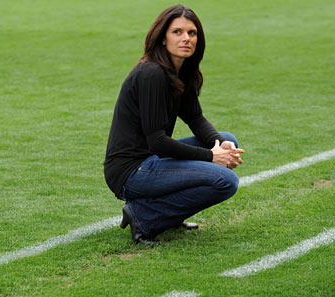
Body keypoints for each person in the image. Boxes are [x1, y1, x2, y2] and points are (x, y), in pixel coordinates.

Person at [104, 5, 245, 245]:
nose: (186, 38)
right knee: (226, 181)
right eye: (177, 32)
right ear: (162, 38)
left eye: (192, 33)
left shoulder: (182, 71)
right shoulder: (151, 74)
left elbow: (196, 119)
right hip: (131, 172)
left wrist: (220, 145)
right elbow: (157, 142)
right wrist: (211, 156)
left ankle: (167, 214)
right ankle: (144, 216)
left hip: (151, 162)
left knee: (226, 138)